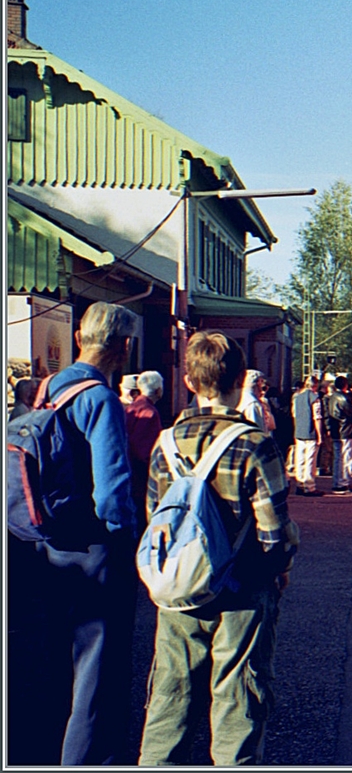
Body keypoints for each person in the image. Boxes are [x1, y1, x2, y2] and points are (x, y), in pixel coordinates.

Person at [139, 331, 299, 766]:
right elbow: (273, 530)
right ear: (238, 379)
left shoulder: (166, 443)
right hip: (244, 590)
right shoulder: (254, 443)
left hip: (180, 590)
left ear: (190, 382)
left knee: (171, 694)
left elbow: (157, 518)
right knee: (239, 697)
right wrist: (279, 569)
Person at [7, 301, 139, 765]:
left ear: (80, 338)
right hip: (92, 548)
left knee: (54, 660)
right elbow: (113, 493)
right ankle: (86, 761)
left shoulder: (50, 387)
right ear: (124, 347)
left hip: (46, 542)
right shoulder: (101, 399)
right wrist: (129, 539)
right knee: (96, 670)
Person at [125, 369, 165, 530]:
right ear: (158, 390)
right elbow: (144, 451)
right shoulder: (149, 412)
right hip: (140, 479)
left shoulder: (131, 407)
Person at [325, 375, 352, 494]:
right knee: (347, 458)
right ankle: (344, 483)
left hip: (336, 431)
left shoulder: (332, 397)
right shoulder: (344, 398)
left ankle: (337, 482)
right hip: (346, 430)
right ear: (345, 385)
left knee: (337, 458)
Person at [291, 375, 324, 496]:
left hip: (299, 431)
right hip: (310, 433)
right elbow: (317, 417)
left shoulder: (296, 398)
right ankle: (309, 486)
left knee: (299, 459)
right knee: (310, 460)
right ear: (315, 386)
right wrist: (319, 434)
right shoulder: (315, 398)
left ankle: (299, 484)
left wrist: (296, 430)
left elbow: (294, 415)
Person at [237, 369, 275, 437]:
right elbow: (257, 431)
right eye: (262, 382)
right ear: (259, 383)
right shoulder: (252, 403)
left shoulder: (238, 398)